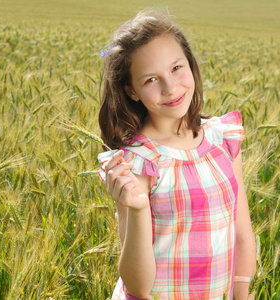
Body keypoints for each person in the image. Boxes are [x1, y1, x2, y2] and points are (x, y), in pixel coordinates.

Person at [97, 9, 256, 300]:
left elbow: (242, 233)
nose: (171, 88)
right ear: (132, 91)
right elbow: (138, 287)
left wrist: (242, 292)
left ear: (190, 64)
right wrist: (138, 207)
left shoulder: (223, 138)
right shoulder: (137, 163)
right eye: (150, 80)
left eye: (176, 68)